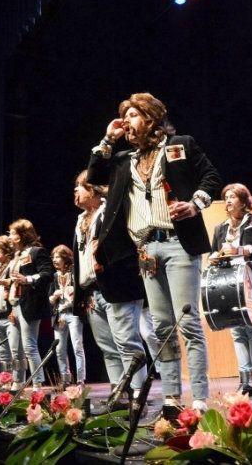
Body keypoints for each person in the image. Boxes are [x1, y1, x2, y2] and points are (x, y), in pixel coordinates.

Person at [87, 92, 221, 419]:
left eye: (132, 115)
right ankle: (173, 398)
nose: (127, 122)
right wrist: (108, 137)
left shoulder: (181, 145)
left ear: (150, 117)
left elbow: (212, 177)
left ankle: (200, 399)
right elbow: (94, 176)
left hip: (178, 244)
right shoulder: (123, 161)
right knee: (161, 327)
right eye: (125, 116)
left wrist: (196, 203)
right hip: (146, 251)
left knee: (187, 322)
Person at [72, 170, 145, 404]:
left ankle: (137, 393)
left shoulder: (111, 213)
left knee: (127, 343)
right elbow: (79, 260)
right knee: (108, 347)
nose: (75, 192)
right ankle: (119, 394)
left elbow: (127, 247)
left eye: (79, 187)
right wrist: (83, 293)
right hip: (93, 291)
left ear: (92, 189)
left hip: (118, 287)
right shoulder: (80, 221)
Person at [209, 183, 252, 398]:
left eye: (232, 196)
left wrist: (239, 250)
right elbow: (213, 252)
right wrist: (213, 257)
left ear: (244, 201)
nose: (228, 200)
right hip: (229, 286)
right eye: (225, 197)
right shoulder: (220, 228)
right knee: (237, 333)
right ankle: (246, 382)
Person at [8, 219, 53, 390]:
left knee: (29, 346)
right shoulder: (16, 257)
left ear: (19, 236)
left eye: (12, 234)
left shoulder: (36, 251)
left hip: (31, 304)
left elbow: (48, 274)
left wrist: (27, 279)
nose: (9, 237)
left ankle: (37, 383)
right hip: (15, 304)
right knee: (15, 348)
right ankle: (17, 381)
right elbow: (14, 280)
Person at [0, 236, 26, 390]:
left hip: (10, 314)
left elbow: (15, 286)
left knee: (16, 350)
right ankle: (6, 379)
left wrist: (13, 310)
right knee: (3, 354)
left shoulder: (12, 266)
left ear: (6, 252)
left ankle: (18, 380)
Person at [49, 244, 86, 387]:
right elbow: (49, 300)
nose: (54, 260)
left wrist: (72, 294)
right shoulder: (54, 277)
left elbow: (81, 292)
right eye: (53, 257)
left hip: (73, 314)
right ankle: (65, 379)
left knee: (77, 347)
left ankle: (80, 380)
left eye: (57, 256)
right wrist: (54, 297)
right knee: (59, 349)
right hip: (60, 315)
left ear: (66, 258)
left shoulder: (74, 273)